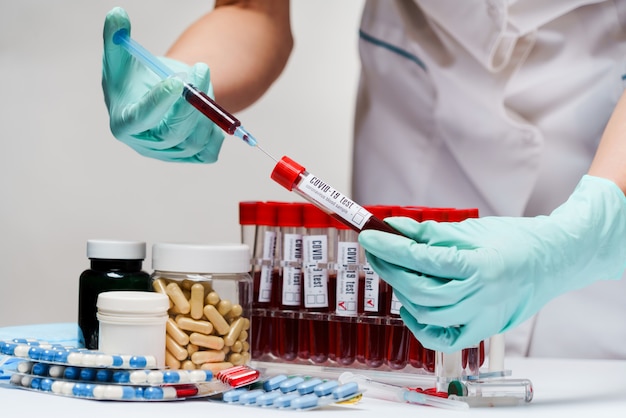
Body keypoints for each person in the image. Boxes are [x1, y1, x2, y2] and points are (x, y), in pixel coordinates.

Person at [102, 2, 626, 358]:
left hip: (604, 120)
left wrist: (589, 234)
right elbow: (251, 8)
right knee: (398, 356)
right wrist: (183, 79)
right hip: (419, 106)